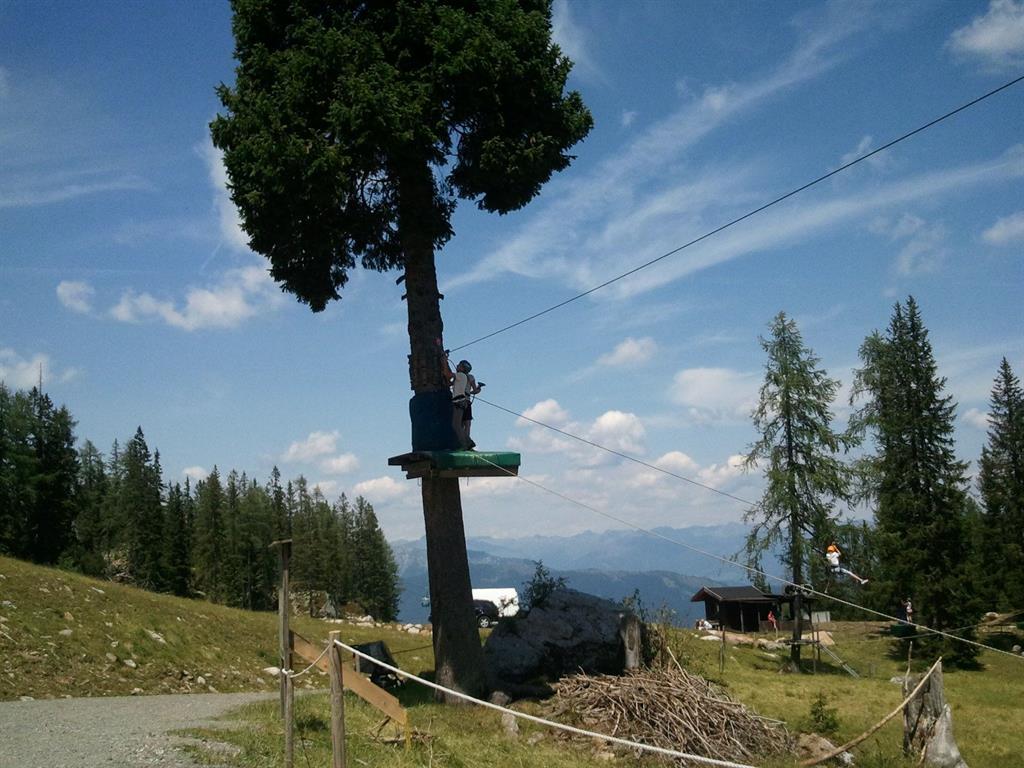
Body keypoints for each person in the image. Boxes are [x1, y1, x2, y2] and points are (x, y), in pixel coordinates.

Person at [444, 356, 483, 449]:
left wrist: (445, 362)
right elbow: (475, 390)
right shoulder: (465, 376)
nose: (457, 365)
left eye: (459, 365)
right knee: (466, 423)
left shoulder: (462, 376)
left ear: (462, 368)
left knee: (460, 424)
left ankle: (465, 442)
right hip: (466, 401)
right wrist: (476, 390)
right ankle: (466, 440)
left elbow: (449, 380)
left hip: (460, 400)